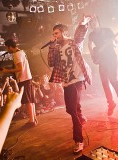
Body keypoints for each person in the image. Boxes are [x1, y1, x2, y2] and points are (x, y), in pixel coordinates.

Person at [47, 16, 91, 154]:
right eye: (53, 34)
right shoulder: (56, 47)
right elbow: (50, 62)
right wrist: (51, 46)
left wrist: (82, 23)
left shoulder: (73, 43)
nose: (54, 36)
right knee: (71, 109)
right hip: (66, 82)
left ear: (63, 33)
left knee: (72, 109)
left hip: (78, 79)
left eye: (56, 33)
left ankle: (79, 141)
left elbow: (80, 35)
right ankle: (81, 116)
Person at [2, 39, 38, 126]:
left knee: (28, 100)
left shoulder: (16, 54)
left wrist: (7, 71)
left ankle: (31, 121)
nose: (7, 50)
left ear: (10, 47)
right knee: (31, 100)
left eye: (7, 48)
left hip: (24, 79)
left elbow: (20, 68)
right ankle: (34, 118)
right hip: (27, 78)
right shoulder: (21, 52)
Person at [88, 15, 118, 116]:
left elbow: (115, 43)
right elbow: (89, 45)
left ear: (98, 21)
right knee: (104, 82)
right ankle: (111, 103)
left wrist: (112, 42)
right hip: (102, 60)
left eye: (94, 21)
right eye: (91, 22)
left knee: (113, 81)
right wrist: (93, 55)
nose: (92, 23)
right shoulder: (91, 35)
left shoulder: (107, 30)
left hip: (111, 58)